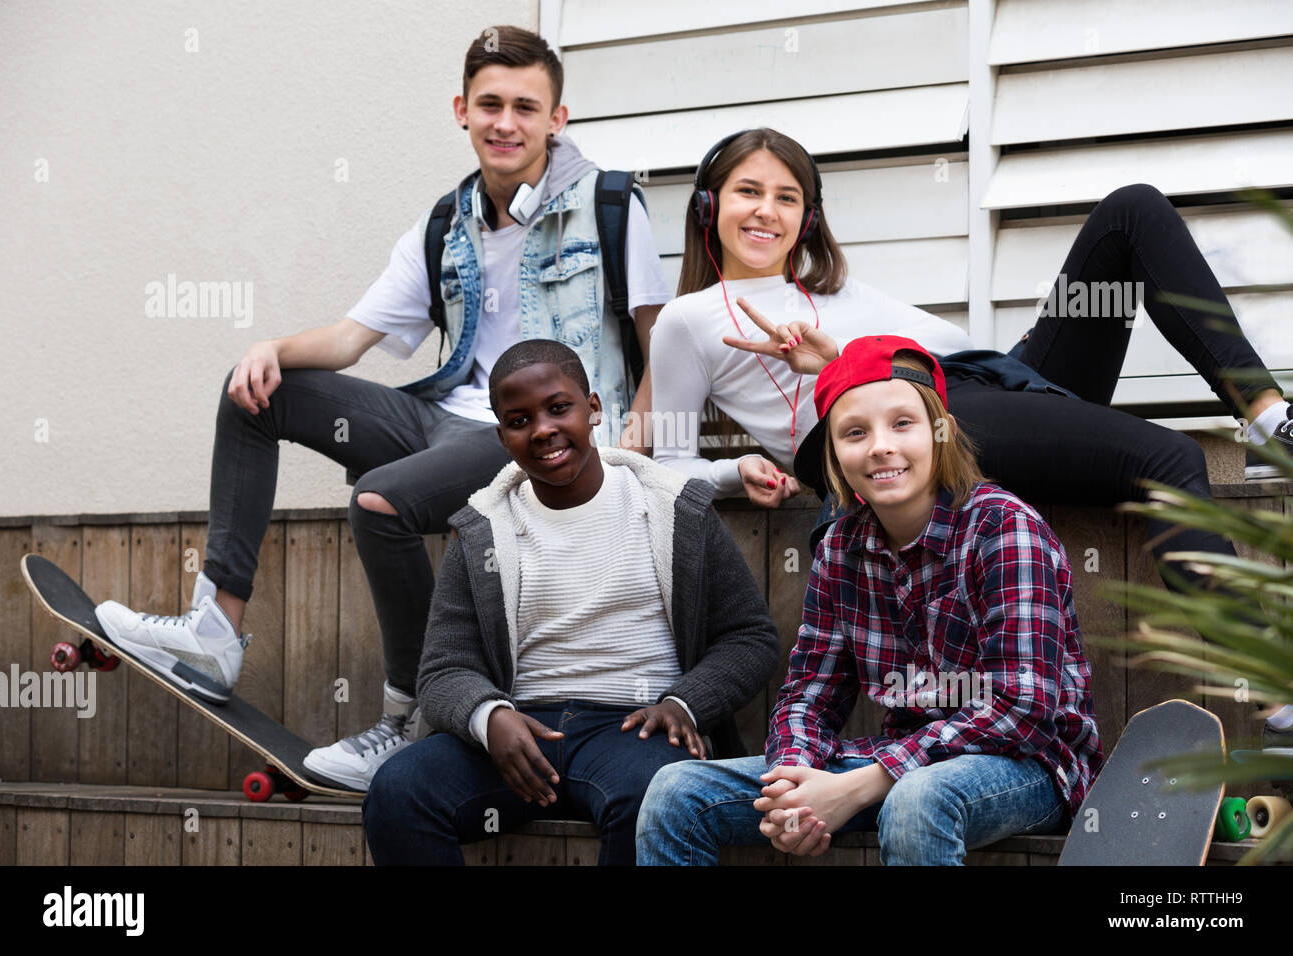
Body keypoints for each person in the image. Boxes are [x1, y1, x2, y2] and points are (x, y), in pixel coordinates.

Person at [91, 25, 671, 790]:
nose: (506, 122)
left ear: (556, 119)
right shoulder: (445, 224)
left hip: (535, 436)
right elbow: (348, 337)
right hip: (446, 415)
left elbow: (661, 338)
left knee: (382, 503)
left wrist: (641, 438)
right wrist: (268, 346)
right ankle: (216, 628)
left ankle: (412, 716)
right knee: (256, 392)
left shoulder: (608, 205)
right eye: (489, 104)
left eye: (526, 107)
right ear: (461, 110)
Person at [647, 127, 1293, 587]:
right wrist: (739, 471)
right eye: (747, 192)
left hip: (997, 383)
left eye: (786, 198)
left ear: (807, 219)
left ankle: (1267, 416)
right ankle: (1278, 706)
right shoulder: (689, 319)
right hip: (927, 415)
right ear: (709, 205)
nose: (767, 211)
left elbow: (967, 356)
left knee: (1132, 210)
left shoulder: (835, 289)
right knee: (1171, 456)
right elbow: (669, 468)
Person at [636, 335, 1104, 865]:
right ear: (835, 453)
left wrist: (858, 788)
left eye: (901, 423)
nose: (880, 446)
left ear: (940, 431)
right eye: (855, 432)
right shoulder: (842, 547)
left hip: (1028, 764)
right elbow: (808, 694)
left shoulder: (1003, 528)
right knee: (677, 793)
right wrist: (795, 785)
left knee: (918, 798)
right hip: (895, 762)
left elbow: (1024, 707)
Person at [361, 340, 779, 865]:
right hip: (520, 732)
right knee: (399, 792)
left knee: (656, 796)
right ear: (501, 436)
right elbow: (444, 668)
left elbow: (750, 636)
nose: (542, 429)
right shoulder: (481, 530)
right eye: (519, 420)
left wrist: (684, 703)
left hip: (634, 729)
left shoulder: (675, 509)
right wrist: (488, 717)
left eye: (559, 408)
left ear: (594, 408)